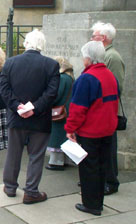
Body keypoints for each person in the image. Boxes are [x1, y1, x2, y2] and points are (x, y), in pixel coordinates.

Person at [0, 29, 60, 204]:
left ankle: (10, 187)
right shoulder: (51, 65)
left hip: (16, 118)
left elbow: (4, 89)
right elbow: (51, 93)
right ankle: (31, 191)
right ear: (42, 45)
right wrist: (34, 108)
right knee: (36, 156)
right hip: (40, 119)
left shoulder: (10, 63)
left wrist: (16, 106)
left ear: (26, 43)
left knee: (13, 153)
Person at [65, 41, 119, 216]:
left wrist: (70, 128)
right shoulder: (110, 75)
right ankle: (99, 201)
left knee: (89, 169)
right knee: (102, 167)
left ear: (88, 58)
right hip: (107, 130)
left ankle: (91, 204)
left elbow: (78, 108)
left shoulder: (87, 78)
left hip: (91, 131)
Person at [91, 22, 125, 196]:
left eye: (94, 36)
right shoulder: (103, 55)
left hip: (107, 112)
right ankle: (97, 179)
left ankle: (110, 182)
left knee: (109, 148)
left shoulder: (113, 57)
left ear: (102, 38)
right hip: (99, 112)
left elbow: (116, 87)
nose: (91, 38)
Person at [45, 57, 74, 171]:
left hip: (59, 111)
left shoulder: (62, 78)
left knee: (56, 137)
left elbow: (56, 95)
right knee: (64, 136)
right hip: (68, 110)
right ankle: (64, 160)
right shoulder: (70, 77)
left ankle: (56, 162)